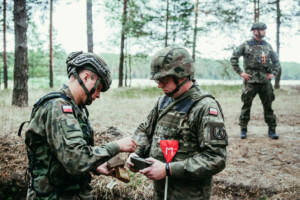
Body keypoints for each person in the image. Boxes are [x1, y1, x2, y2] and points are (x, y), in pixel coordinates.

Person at [23, 51, 137, 200]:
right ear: (86, 77)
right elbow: (76, 159)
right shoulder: (58, 108)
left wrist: (95, 166)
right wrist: (117, 146)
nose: (98, 95)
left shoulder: (75, 109)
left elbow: (64, 154)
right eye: (98, 88)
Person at [126, 47, 228, 200]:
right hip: (161, 192)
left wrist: (168, 169)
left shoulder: (205, 107)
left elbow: (216, 158)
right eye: (157, 80)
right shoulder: (164, 101)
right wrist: (136, 153)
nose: (159, 85)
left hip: (189, 195)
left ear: (181, 75)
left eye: (163, 80)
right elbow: (145, 130)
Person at [230, 22, 280, 139]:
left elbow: (276, 61)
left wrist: (273, 73)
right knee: (246, 105)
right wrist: (241, 73)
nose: (264, 32)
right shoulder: (246, 45)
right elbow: (234, 58)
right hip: (250, 81)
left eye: (264, 30)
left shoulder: (267, 46)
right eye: (262, 30)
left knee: (268, 106)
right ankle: (243, 129)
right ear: (255, 31)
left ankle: (272, 130)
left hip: (265, 82)